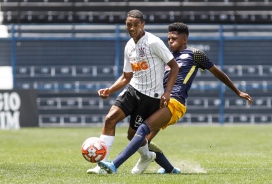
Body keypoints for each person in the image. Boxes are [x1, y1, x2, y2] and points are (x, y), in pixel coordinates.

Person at [97, 22, 253, 174]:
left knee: (143, 130)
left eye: (174, 38)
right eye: (169, 38)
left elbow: (217, 72)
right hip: (156, 100)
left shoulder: (195, 54)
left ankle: (114, 164)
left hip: (175, 102)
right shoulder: (165, 55)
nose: (170, 41)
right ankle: (171, 169)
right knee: (137, 137)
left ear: (184, 39)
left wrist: (237, 91)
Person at [87, 10, 179, 174]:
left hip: (150, 97)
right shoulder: (129, 45)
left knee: (132, 136)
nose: (132, 28)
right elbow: (126, 76)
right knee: (110, 119)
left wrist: (167, 92)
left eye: (136, 24)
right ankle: (100, 165)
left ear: (143, 25)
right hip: (132, 91)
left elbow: (174, 67)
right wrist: (110, 89)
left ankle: (147, 157)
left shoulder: (153, 42)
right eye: (129, 24)